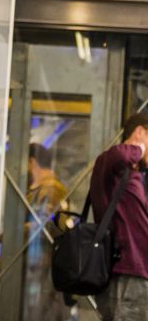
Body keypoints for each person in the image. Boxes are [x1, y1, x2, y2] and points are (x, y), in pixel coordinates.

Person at [89, 113, 148, 321]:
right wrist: (140, 147)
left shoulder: (134, 174)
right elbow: (120, 155)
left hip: (138, 274)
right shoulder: (112, 162)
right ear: (140, 131)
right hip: (127, 274)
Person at [23, 143, 70, 321]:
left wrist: (13, 232)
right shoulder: (41, 188)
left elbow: (45, 225)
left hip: (43, 266)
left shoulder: (51, 189)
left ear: (32, 162)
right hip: (37, 265)